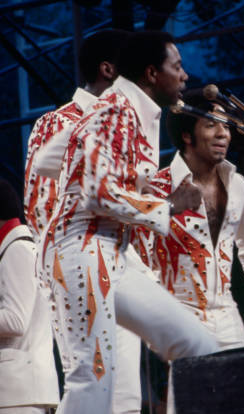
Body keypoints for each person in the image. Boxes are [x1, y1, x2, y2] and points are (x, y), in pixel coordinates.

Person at [36, 31, 218, 413]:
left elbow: (51, 159)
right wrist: (166, 205)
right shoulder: (118, 108)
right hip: (80, 250)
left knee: (196, 345)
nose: (185, 76)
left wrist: (127, 177)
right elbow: (97, 193)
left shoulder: (125, 109)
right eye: (177, 67)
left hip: (111, 253)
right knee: (92, 378)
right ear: (152, 73)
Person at [24, 29, 143, 414]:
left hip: (122, 268)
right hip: (78, 270)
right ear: (109, 70)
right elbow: (40, 206)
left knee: (125, 396)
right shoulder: (57, 123)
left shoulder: (129, 124)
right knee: (91, 385)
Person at [134, 92, 244, 349]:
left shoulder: (237, 184)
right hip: (177, 311)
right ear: (187, 135)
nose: (223, 133)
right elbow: (137, 259)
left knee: (243, 385)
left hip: (227, 311)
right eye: (211, 125)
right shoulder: (156, 188)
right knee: (191, 389)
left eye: (225, 126)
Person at [0, 179, 59, 413]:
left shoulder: (18, 249)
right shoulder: (15, 248)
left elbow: (16, 320)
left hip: (21, 390)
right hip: (20, 390)